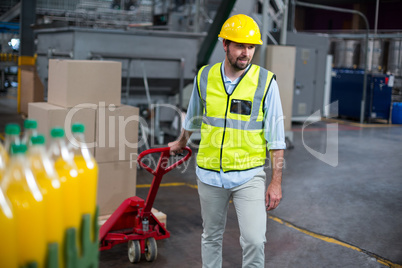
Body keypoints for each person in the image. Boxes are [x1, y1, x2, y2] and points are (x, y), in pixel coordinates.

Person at [169, 14, 286, 268]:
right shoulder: (205, 77)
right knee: (210, 237)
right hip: (210, 174)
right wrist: (181, 142)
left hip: (249, 175)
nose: (246, 53)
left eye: (251, 47)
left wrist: (276, 182)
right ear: (225, 45)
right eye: (240, 46)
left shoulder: (265, 83)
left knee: (254, 240)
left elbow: (276, 138)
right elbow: (193, 117)